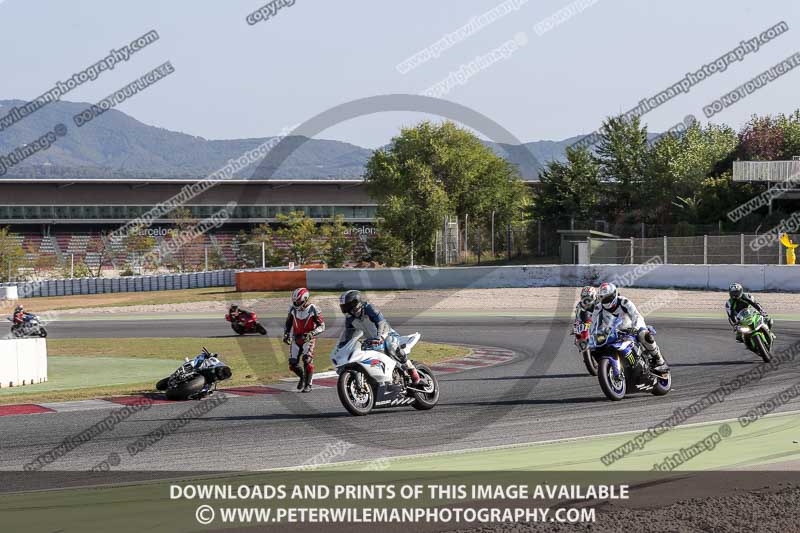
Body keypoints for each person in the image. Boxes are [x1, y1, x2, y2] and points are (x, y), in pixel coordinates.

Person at [337, 289, 421, 386]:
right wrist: (341, 346)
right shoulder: (350, 319)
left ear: (356, 302)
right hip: (371, 341)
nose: (347, 309)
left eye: (347, 306)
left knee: (391, 344)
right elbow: (349, 334)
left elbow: (381, 322)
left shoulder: (369, 308)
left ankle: (411, 370)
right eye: (344, 307)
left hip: (387, 334)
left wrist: (380, 337)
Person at [592, 282, 669, 372]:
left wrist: (635, 327)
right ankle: (606, 366)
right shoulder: (598, 308)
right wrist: (591, 336)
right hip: (613, 332)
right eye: (602, 297)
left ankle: (660, 361)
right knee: (594, 347)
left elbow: (636, 315)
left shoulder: (624, 302)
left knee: (645, 335)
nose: (605, 300)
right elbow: (593, 325)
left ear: (614, 295)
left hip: (631, 329)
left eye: (607, 297)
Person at [283, 288, 325, 392]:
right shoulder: (292, 309)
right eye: (295, 301)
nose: (296, 303)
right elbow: (288, 323)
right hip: (296, 339)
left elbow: (322, 326)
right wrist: (286, 334)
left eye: (298, 301)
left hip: (308, 339)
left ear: (305, 299)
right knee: (292, 364)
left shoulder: (314, 309)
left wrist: (312, 333)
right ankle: (302, 377)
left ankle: (308, 385)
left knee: (307, 360)